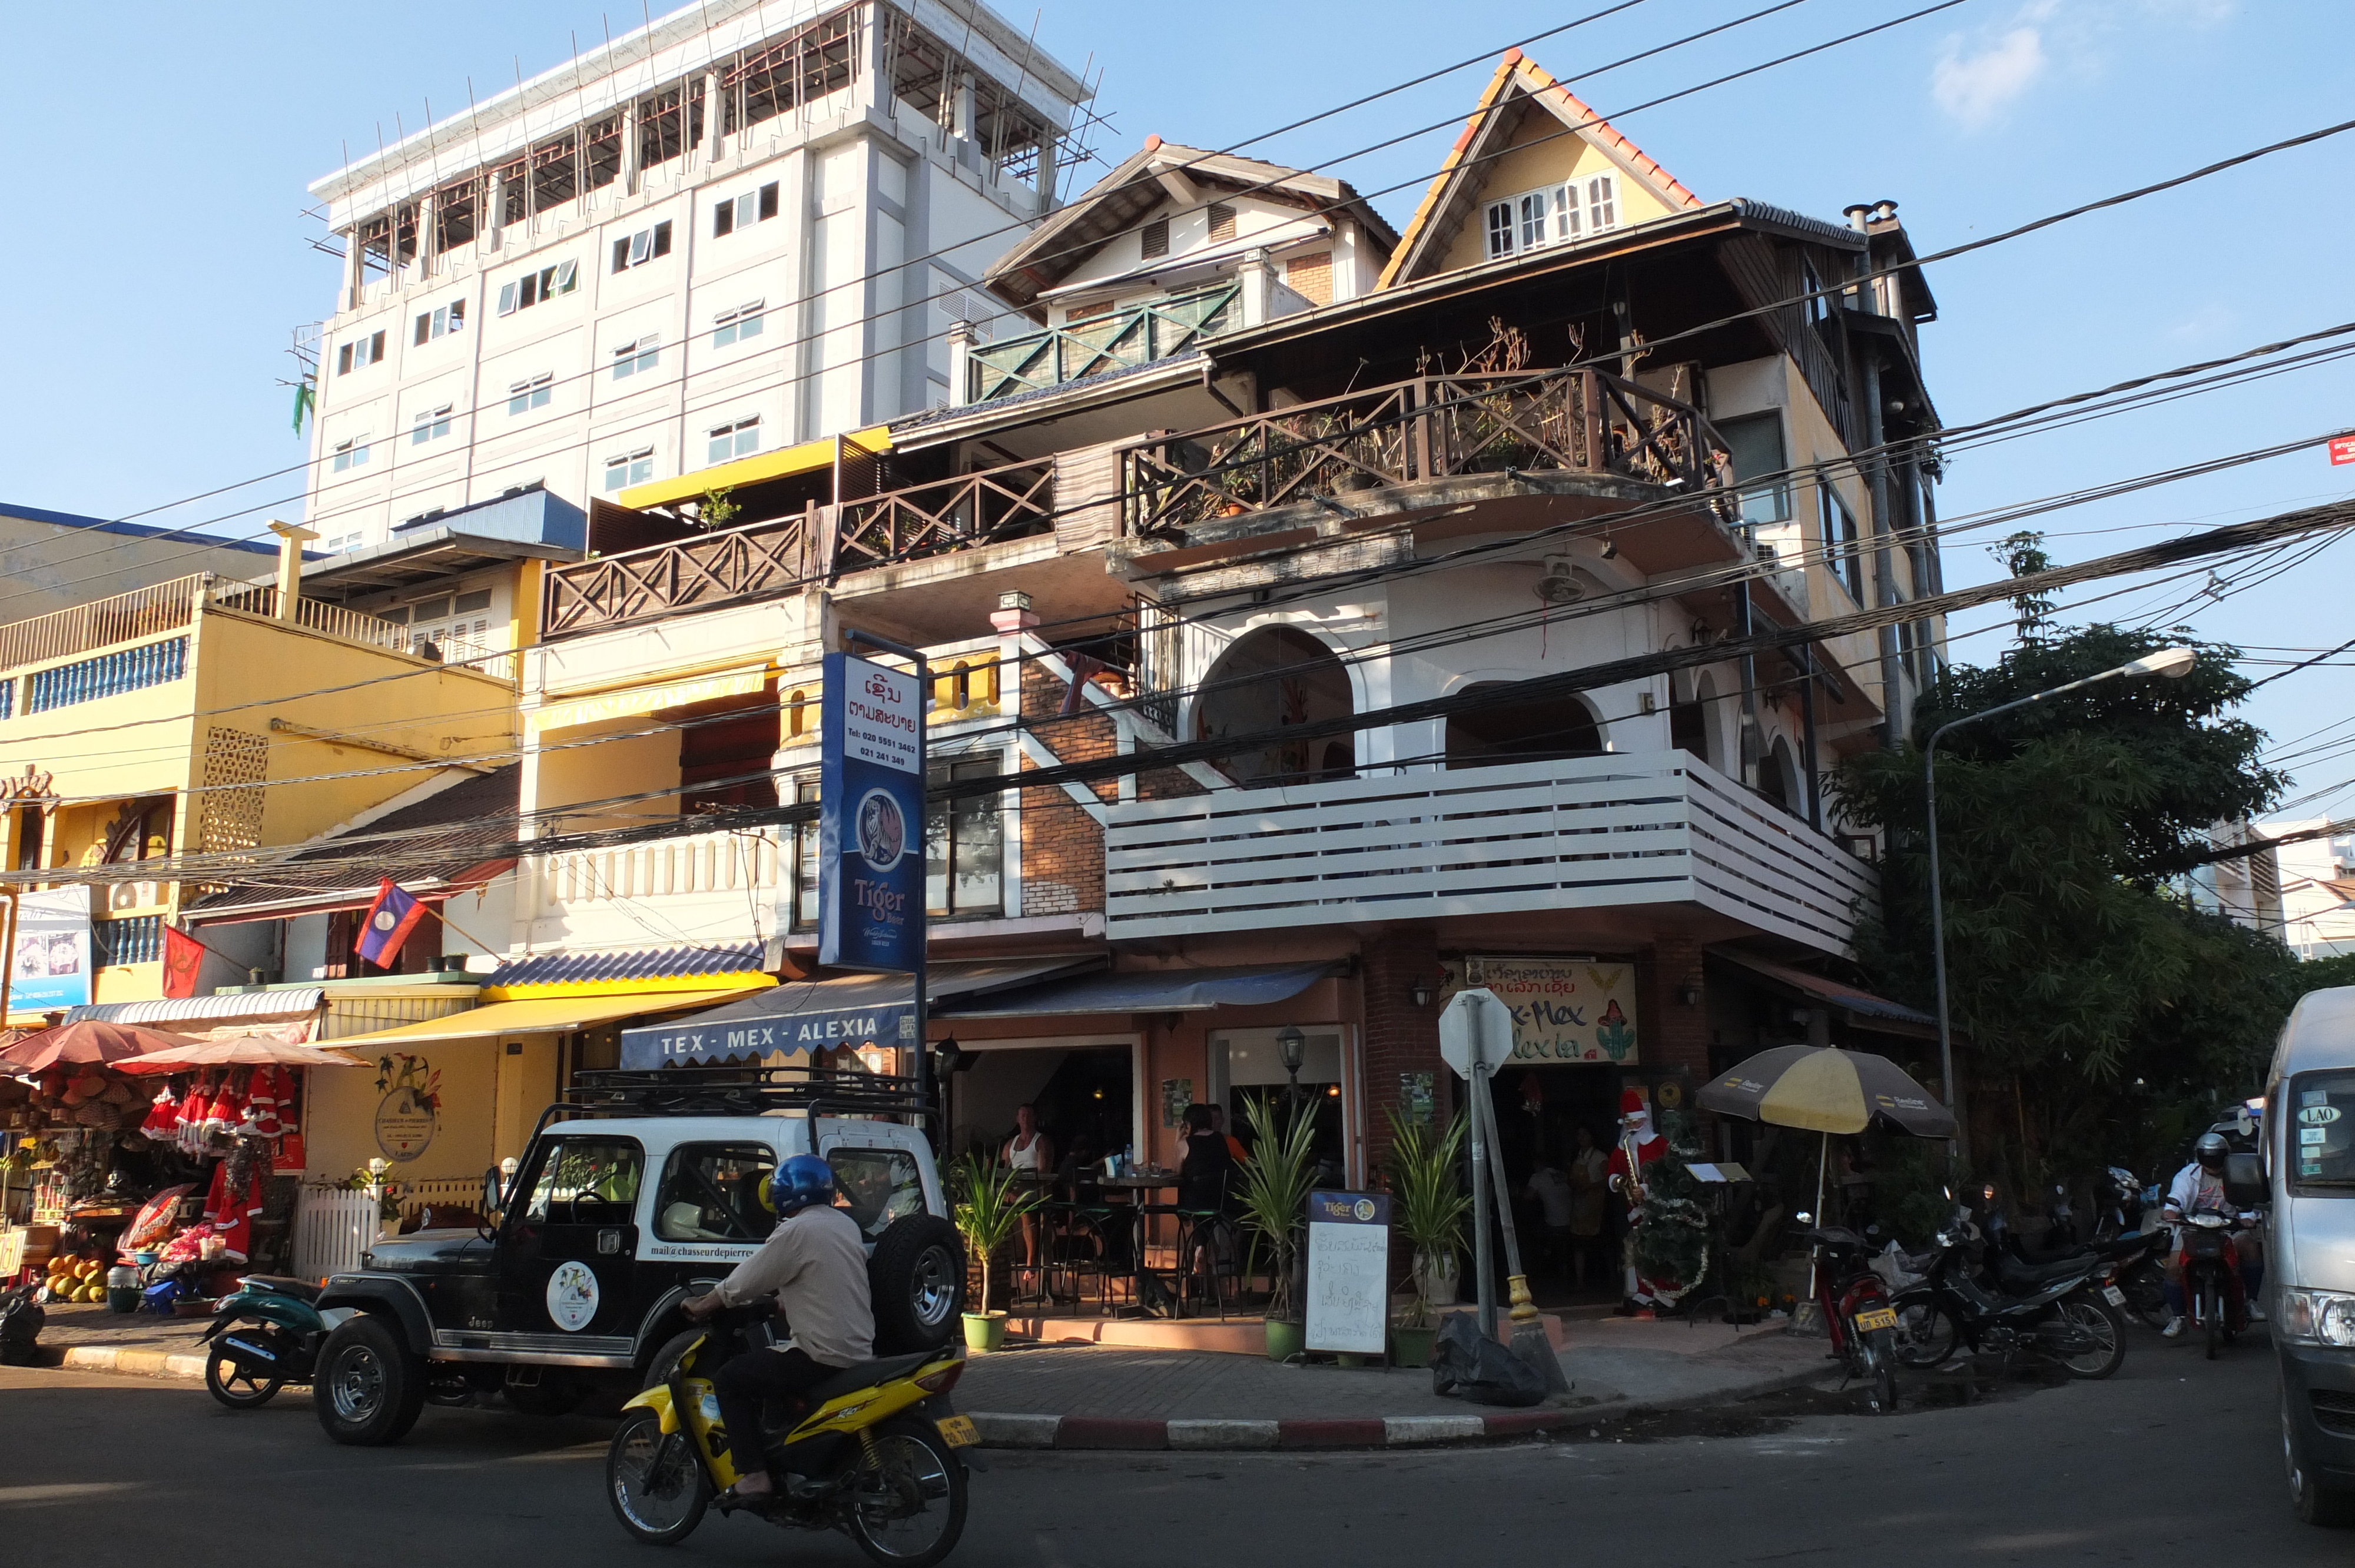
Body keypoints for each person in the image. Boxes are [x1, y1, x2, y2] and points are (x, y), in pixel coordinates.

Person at [682, 1154, 874, 1507]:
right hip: (858, 1349)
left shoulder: (796, 1231)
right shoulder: (844, 1225)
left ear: (786, 1192)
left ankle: (754, 1476)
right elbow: (824, 1279)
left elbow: (745, 1280)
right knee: (771, 1367)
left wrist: (705, 1303)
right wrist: (784, 1301)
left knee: (730, 1379)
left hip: (821, 1354)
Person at [2160, 1131, 2263, 1338]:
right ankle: (2178, 1317)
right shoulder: (2188, 1175)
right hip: (2192, 1229)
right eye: (2208, 1157)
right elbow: (2176, 1199)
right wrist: (2171, 1213)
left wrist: (2249, 1218)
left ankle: (2250, 1302)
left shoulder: (2237, 1172)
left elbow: (2247, 1203)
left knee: (2251, 1248)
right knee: (2173, 1268)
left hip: (2228, 1228)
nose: (2212, 1163)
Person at [1003, 1104, 1053, 1270]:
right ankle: (999, 1258)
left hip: (1034, 1188)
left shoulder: (1041, 1142)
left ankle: (1030, 1261)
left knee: (1026, 1212)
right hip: (1014, 1186)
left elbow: (1043, 1172)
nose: (1025, 1119)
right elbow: (1004, 1171)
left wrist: (1020, 1191)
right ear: (1017, 1119)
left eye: (1028, 1116)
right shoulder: (1011, 1144)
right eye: (1022, 1116)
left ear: (1034, 1119)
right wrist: (1009, 1190)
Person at [1565, 1124, 1611, 1294]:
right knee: (1578, 1244)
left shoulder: (1600, 1157)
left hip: (1597, 1206)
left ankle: (1607, 1279)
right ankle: (1580, 1281)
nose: (1581, 1138)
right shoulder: (1576, 1157)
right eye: (1579, 1135)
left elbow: (1608, 1180)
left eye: (1584, 1134)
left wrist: (1590, 1187)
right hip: (1579, 1206)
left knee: (1598, 1243)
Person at [1524, 1154, 1575, 1281]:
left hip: (1554, 1224)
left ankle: (1542, 1267)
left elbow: (1528, 1197)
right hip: (1573, 1221)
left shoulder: (1537, 1178)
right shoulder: (1564, 1175)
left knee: (1532, 1229)